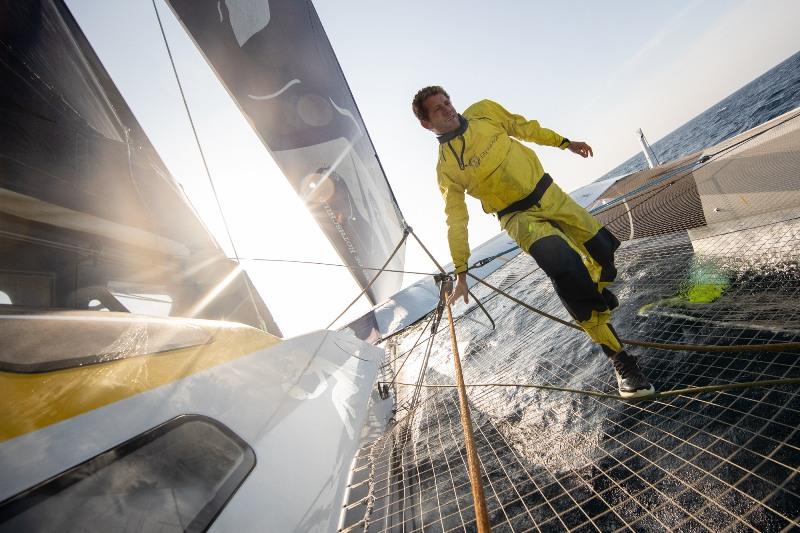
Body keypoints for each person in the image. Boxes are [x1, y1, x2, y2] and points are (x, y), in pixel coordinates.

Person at [412, 86, 654, 398]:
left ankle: (596, 286)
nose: (447, 109)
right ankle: (621, 361)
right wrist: (461, 271)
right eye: (438, 109)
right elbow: (456, 219)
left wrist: (565, 143)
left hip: (549, 194)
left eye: (447, 102)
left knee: (604, 253)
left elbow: (525, 128)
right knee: (564, 267)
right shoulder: (446, 169)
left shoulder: (484, 111)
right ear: (426, 124)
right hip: (517, 217)